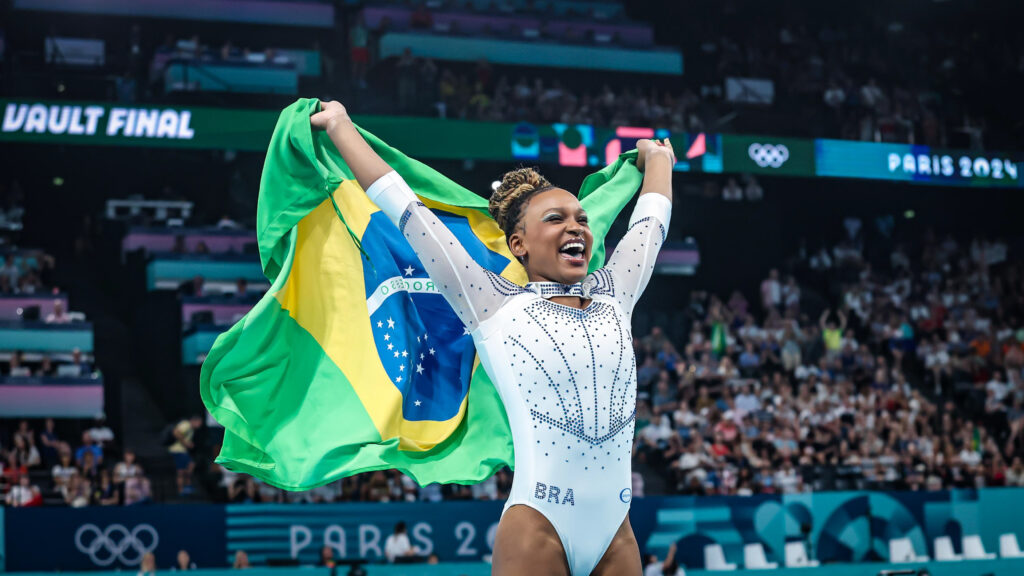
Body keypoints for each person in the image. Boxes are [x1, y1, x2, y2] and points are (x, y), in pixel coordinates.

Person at [313, 99, 674, 575]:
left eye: (581, 219)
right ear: (518, 243)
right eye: (556, 219)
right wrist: (340, 126)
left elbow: (650, 225)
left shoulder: (615, 294)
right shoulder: (492, 302)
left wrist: (660, 160)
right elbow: (407, 210)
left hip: (616, 530)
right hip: (538, 526)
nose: (576, 227)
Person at [169, 415, 201, 495]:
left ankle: (186, 486)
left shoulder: (191, 429)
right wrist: (186, 443)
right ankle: (183, 488)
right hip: (178, 450)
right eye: (199, 423)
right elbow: (175, 432)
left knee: (184, 469)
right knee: (186, 467)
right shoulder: (186, 425)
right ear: (195, 421)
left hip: (181, 451)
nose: (200, 425)